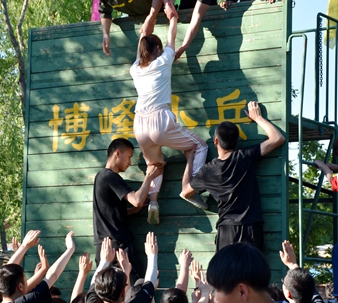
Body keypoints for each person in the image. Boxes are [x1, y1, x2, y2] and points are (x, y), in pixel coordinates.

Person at [130, 15, 208, 224]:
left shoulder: (135, 69)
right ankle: (191, 188)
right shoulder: (163, 61)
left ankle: (154, 202)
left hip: (139, 124)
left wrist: (145, 29)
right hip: (159, 120)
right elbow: (171, 39)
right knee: (199, 146)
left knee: (155, 164)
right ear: (158, 49)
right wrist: (173, 19)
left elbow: (141, 48)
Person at [181, 101, 285, 251]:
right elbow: (278, 138)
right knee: (253, 267)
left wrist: (190, 160)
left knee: (226, 267)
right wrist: (258, 118)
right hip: (252, 227)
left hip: (227, 230)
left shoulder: (207, 171)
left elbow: (185, 192)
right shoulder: (245, 156)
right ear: (237, 141)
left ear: (216, 140)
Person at [93, 138, 163, 278]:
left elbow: (110, 213)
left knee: (108, 289)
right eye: (129, 157)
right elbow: (137, 200)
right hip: (118, 246)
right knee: (137, 286)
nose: (130, 163)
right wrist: (149, 177)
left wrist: (133, 211)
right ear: (117, 153)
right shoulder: (110, 176)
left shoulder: (100, 177)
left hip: (104, 248)